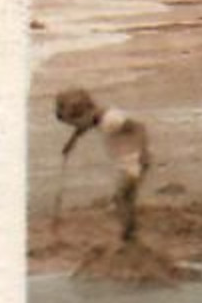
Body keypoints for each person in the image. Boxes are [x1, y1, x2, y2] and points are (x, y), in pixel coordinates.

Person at [55, 87, 150, 243]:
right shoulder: (95, 117)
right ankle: (130, 233)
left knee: (121, 197)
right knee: (126, 198)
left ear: (86, 112)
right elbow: (84, 126)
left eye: (74, 123)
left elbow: (139, 128)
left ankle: (129, 237)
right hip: (125, 160)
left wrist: (143, 153)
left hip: (134, 160)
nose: (75, 127)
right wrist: (72, 142)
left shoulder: (111, 119)